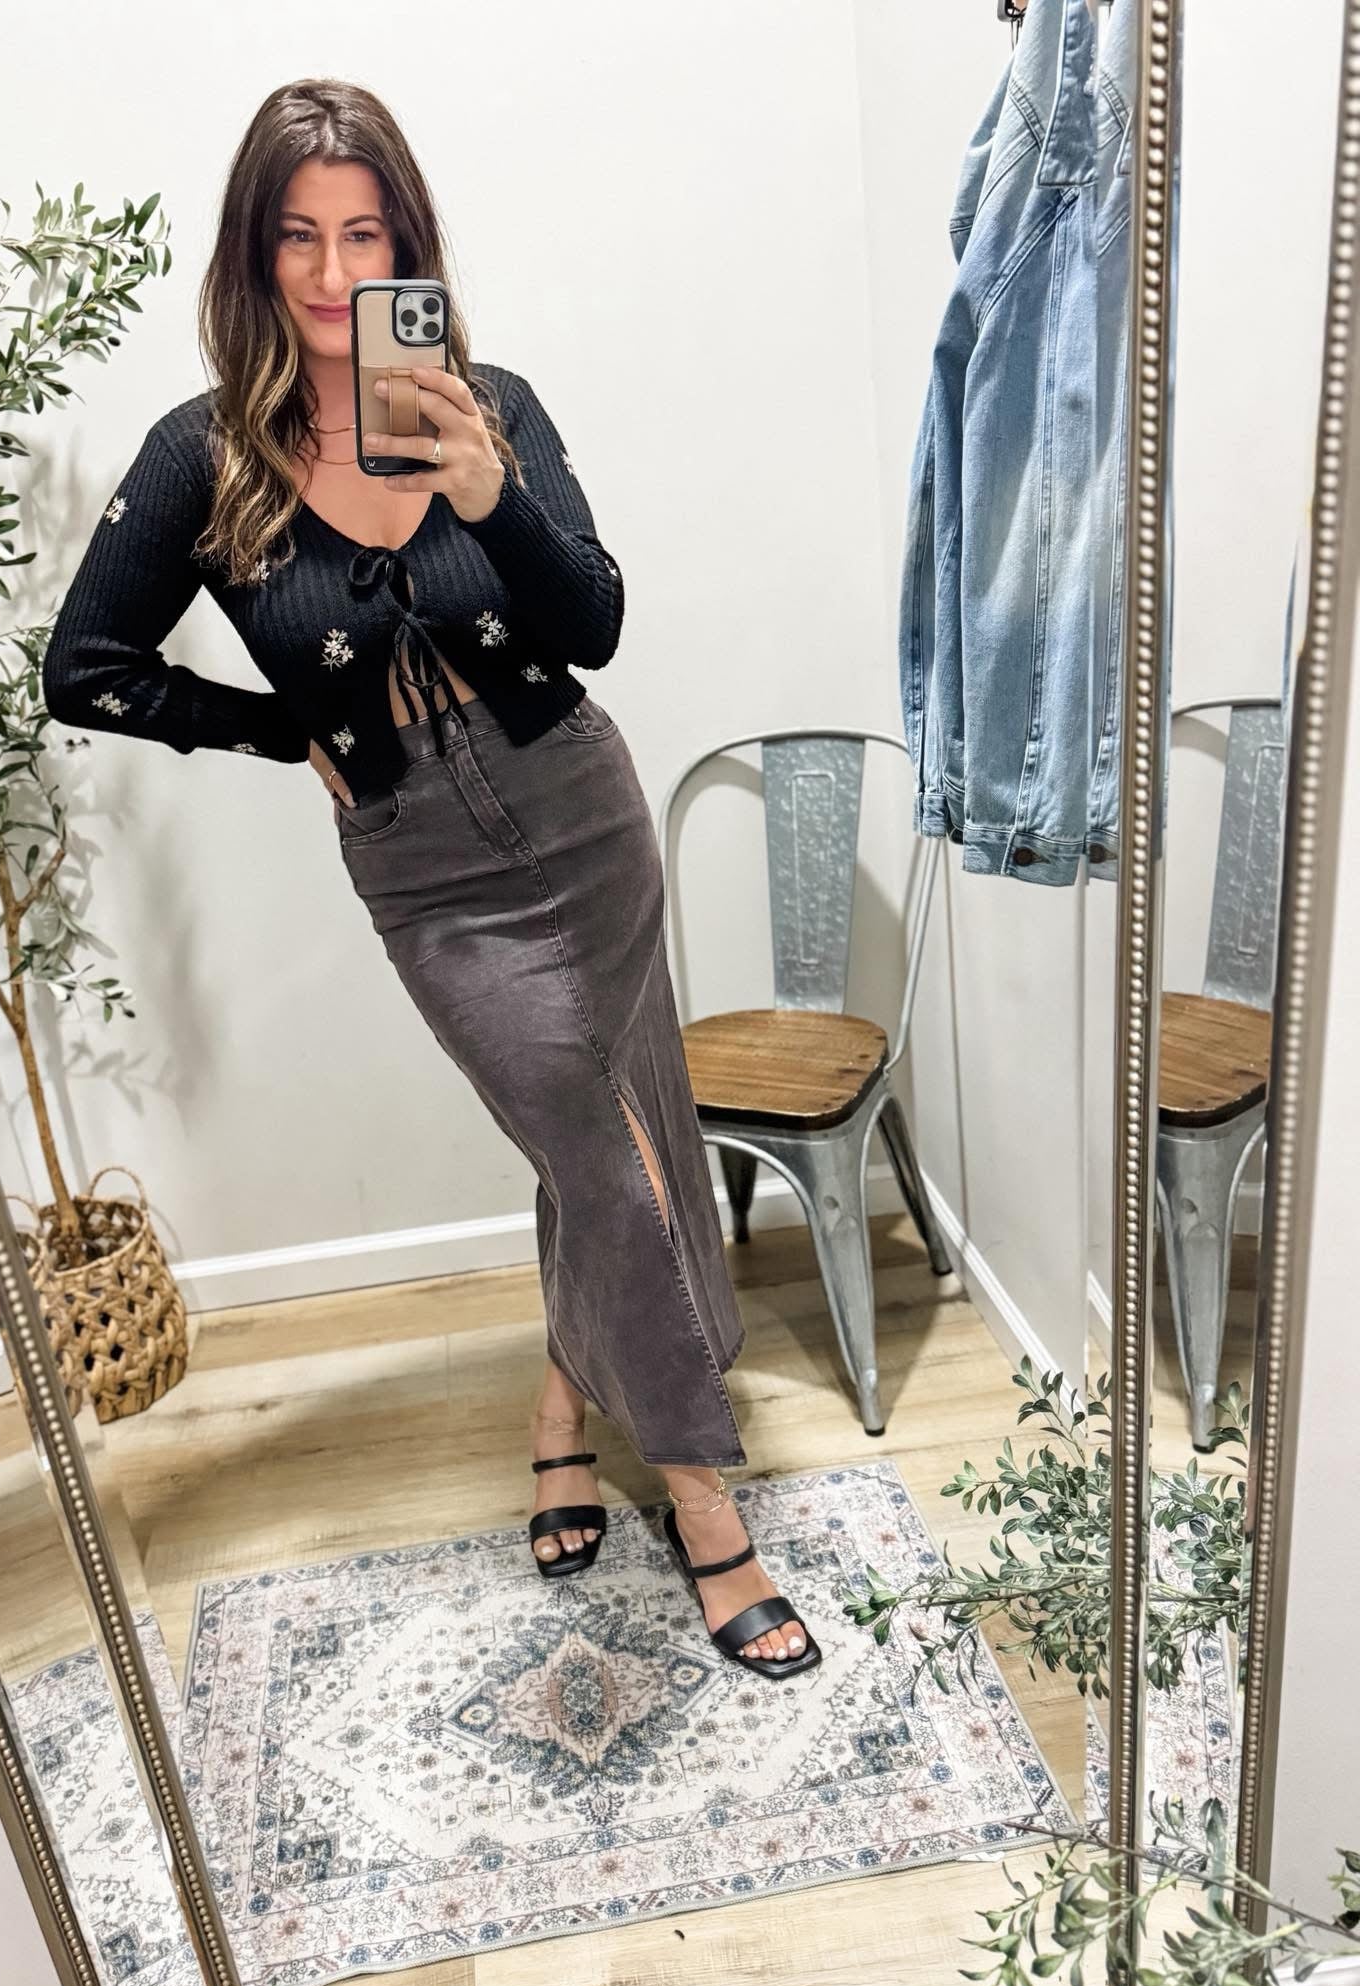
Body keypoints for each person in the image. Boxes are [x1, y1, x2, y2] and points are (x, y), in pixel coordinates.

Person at [42, 79, 819, 1677]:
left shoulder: (491, 405)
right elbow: (86, 666)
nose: (335, 276)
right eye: (299, 238)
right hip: (428, 869)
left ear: (409, 245)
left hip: (581, 810)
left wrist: (488, 495)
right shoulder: (203, 455)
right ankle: (702, 1491)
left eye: (365, 235)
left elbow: (593, 622)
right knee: (599, 1150)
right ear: (253, 256)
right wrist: (281, 733)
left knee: (617, 1136)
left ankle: (580, 1416)